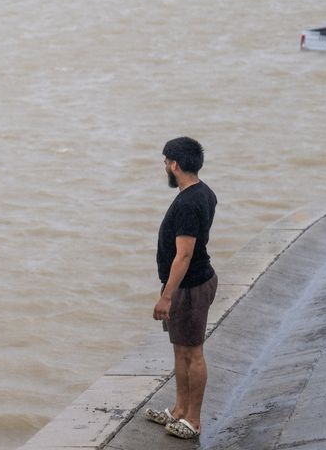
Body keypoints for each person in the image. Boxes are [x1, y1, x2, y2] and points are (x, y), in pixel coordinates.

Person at [144, 136, 218, 441]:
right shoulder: (204, 192)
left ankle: (194, 420)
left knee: (193, 353)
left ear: (174, 164)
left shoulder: (188, 203)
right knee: (180, 349)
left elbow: (184, 254)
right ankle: (178, 410)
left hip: (190, 286)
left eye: (165, 162)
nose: (164, 167)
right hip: (190, 283)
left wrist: (166, 296)